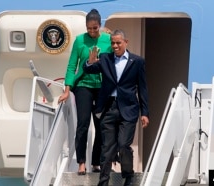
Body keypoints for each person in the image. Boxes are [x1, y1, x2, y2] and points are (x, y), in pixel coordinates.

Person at [84, 29, 150, 186]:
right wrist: (89, 62)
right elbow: (89, 69)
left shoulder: (137, 61)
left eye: (118, 43)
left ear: (126, 42)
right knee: (106, 148)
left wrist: (145, 112)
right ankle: (103, 182)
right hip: (108, 108)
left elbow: (143, 88)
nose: (115, 46)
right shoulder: (105, 59)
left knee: (123, 145)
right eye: (113, 43)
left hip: (128, 109)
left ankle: (128, 176)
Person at [58, 9, 112, 175]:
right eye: (89, 28)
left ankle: (96, 162)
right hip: (83, 85)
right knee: (83, 124)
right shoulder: (79, 40)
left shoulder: (108, 40)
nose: (92, 31)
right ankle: (81, 162)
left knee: (102, 126)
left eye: (95, 28)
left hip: (102, 87)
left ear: (100, 25)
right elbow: (71, 66)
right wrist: (67, 90)